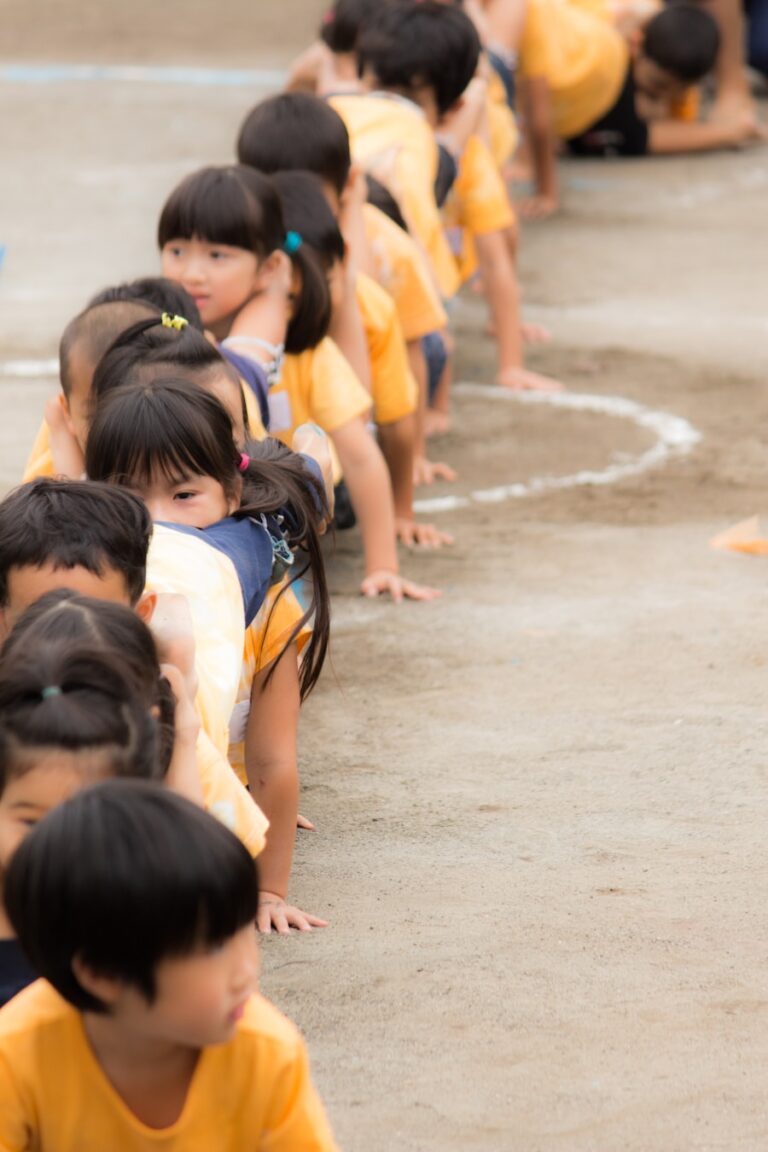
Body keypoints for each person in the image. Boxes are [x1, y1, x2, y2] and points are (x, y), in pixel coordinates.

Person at [85, 378, 331, 935]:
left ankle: (314, 468)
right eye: (129, 495)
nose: (157, 519)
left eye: (183, 495)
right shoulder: (87, 581)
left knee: (294, 503)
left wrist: (268, 890)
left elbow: (272, 763)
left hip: (214, 792)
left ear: (231, 496)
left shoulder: (267, 602)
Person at [0, 780, 338, 1148]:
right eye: (213, 947)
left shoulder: (267, 1052)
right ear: (102, 974)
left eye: (244, 932)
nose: (247, 972)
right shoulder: (16, 1054)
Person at [158, 163, 439, 601]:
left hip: (302, 501)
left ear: (269, 268)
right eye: (177, 251)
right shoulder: (165, 343)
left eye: (217, 255)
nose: (192, 272)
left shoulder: (306, 354)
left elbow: (361, 455)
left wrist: (383, 565)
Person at [0, 478, 269, 860]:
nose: (68, 638)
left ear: (141, 616)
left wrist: (183, 740)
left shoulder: (169, 717)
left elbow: (211, 863)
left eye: (95, 618)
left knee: (263, 530)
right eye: (40, 617)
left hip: (209, 571)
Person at [336, 0, 561, 392]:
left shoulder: (335, 114)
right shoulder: (459, 153)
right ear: (456, 107)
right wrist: (510, 366)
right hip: (396, 290)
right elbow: (496, 261)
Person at [236, 90, 457, 483]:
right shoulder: (239, 247)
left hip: (364, 383)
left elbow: (400, 337)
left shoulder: (382, 245)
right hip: (297, 403)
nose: (291, 200)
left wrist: (416, 451)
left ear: (346, 185)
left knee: (425, 346)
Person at [0, 596, 179, 1008]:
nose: (58, 842)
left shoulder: (136, 907)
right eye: (31, 822)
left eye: (91, 817)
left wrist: (184, 736)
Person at [273, 169, 454, 549]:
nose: (303, 304)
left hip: (328, 478)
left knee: (428, 352)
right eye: (288, 295)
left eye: (323, 283)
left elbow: (392, 425)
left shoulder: (363, 308)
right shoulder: (235, 330)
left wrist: (402, 511)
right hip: (271, 479)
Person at [519, 0, 760, 214]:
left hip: (595, 64)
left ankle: (733, 132)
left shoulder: (654, 35)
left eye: (668, 93)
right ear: (636, 44)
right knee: (625, 134)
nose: (658, 95)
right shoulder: (593, 48)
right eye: (655, 87)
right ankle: (733, 132)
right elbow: (538, 115)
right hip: (597, 68)